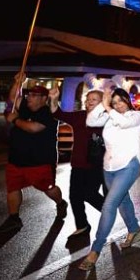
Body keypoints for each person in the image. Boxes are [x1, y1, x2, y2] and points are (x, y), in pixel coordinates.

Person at [0, 72, 69, 234]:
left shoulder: (49, 113)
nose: (29, 98)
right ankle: (14, 219)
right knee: (12, 187)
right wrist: (18, 82)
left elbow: (33, 128)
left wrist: (14, 119)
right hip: (16, 159)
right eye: (29, 94)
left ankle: (61, 203)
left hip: (39, 161)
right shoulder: (25, 107)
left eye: (34, 95)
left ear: (43, 98)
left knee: (48, 188)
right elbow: (14, 98)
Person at [78, 87, 140, 271]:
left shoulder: (136, 116)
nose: (118, 105)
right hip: (109, 167)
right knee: (123, 200)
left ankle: (95, 250)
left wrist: (108, 107)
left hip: (129, 165)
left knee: (109, 205)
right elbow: (91, 120)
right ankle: (134, 229)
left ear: (127, 100)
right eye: (114, 102)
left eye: (120, 101)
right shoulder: (110, 116)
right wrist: (103, 104)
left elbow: (123, 123)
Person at [49, 87, 106, 238]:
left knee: (89, 193)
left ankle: (109, 211)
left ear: (102, 102)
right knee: (74, 196)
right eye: (87, 99)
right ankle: (82, 225)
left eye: (94, 99)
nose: (89, 102)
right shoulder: (80, 116)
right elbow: (57, 113)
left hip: (97, 165)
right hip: (78, 164)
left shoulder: (107, 119)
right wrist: (54, 99)